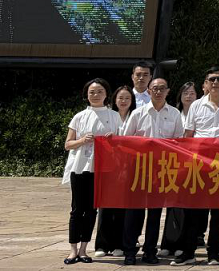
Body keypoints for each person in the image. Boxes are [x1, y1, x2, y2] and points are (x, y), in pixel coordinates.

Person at [174, 67, 219, 266]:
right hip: (198, 164)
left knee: (218, 211)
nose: (215, 82)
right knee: (193, 210)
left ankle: (213, 253)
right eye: (211, 79)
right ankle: (188, 252)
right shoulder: (196, 105)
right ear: (205, 83)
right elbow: (189, 134)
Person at [122, 76, 184, 266]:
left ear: (168, 91)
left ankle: (150, 251)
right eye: (154, 88)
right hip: (139, 170)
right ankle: (130, 251)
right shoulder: (138, 113)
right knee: (134, 213)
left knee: (155, 214)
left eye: (162, 88)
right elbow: (125, 140)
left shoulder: (174, 114)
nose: (158, 91)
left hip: (161, 170)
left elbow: (179, 142)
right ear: (148, 91)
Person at [63, 78, 122, 265]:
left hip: (102, 169)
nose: (95, 95)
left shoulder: (114, 116)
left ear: (106, 94)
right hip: (80, 168)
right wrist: (82, 141)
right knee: (76, 210)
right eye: (92, 92)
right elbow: (68, 144)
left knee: (91, 210)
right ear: (86, 95)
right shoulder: (79, 116)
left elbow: (122, 143)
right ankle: (73, 250)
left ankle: (84, 249)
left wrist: (113, 139)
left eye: (99, 92)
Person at [96, 86, 136, 257]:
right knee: (105, 205)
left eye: (127, 98)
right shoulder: (107, 115)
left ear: (132, 101)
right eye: (120, 98)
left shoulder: (135, 116)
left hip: (128, 166)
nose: (123, 101)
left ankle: (119, 244)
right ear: (114, 99)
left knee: (122, 206)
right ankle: (102, 245)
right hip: (108, 165)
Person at [159, 82, 198, 258]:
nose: (188, 96)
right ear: (180, 96)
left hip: (194, 164)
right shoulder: (174, 113)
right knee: (172, 204)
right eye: (185, 93)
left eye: (192, 93)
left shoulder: (199, 113)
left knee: (188, 206)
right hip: (173, 163)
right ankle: (168, 243)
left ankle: (183, 243)